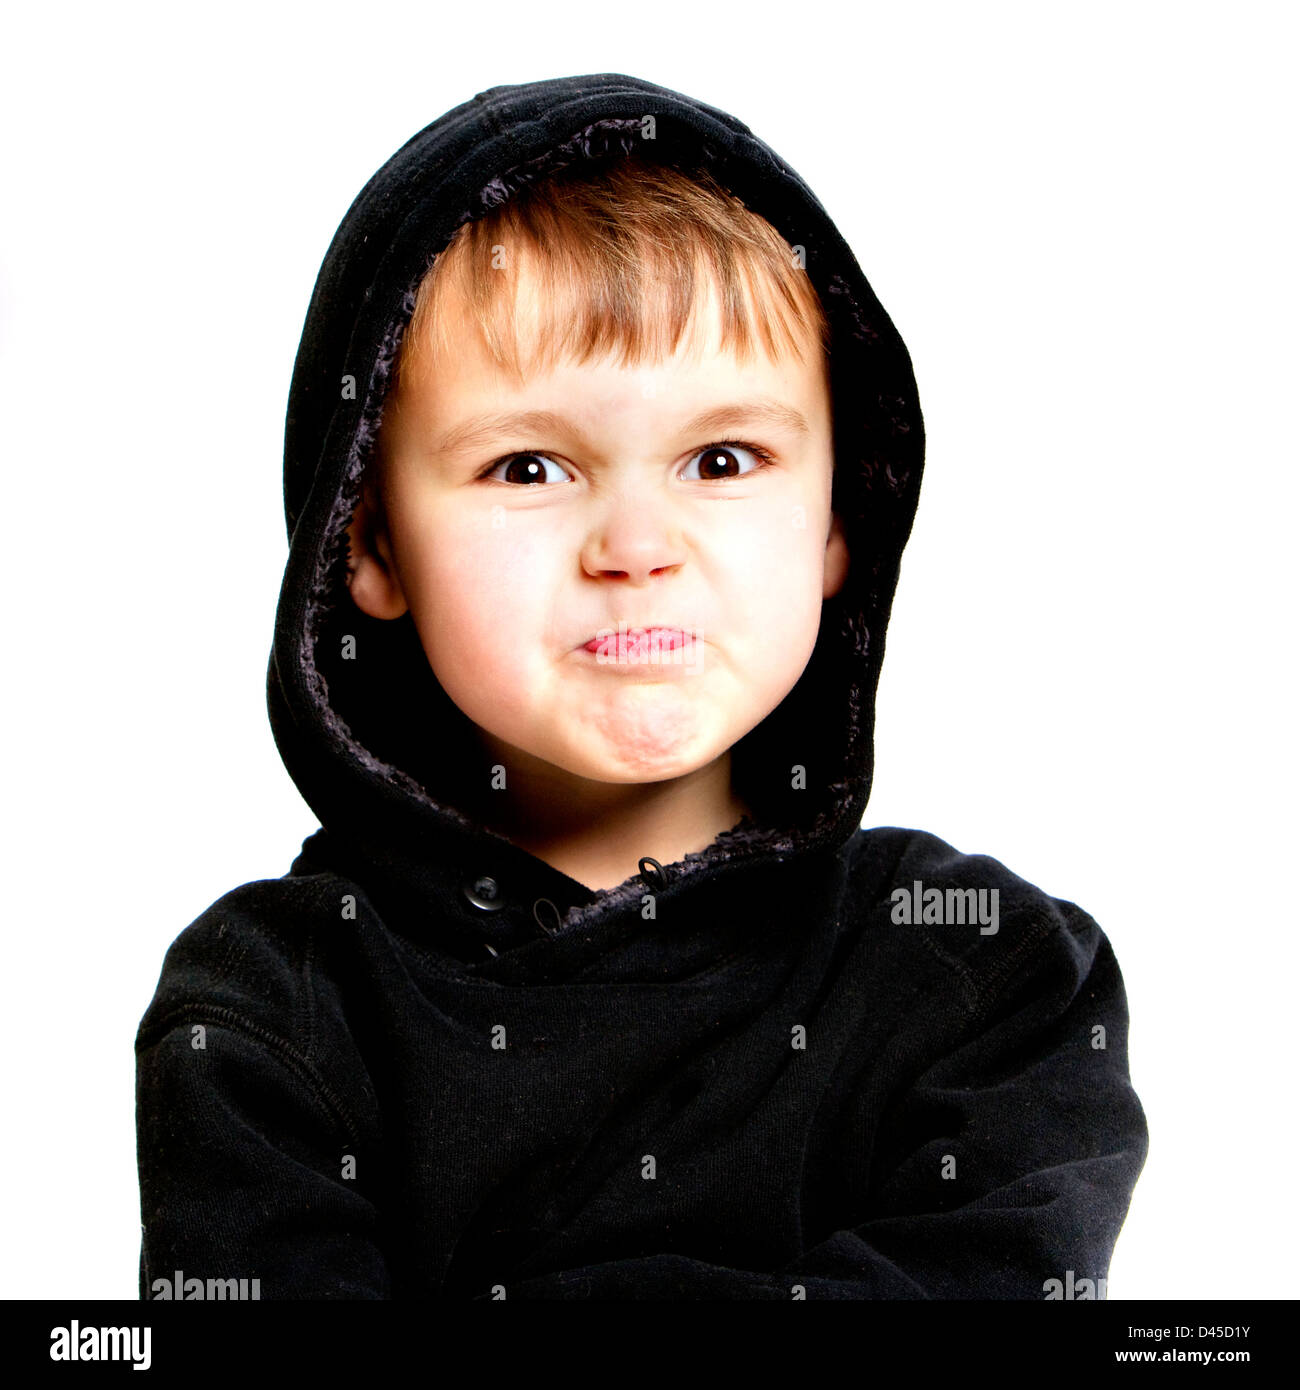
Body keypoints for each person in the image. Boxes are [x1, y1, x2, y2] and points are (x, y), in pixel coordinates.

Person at [134, 72, 1148, 1299]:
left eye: (722, 458)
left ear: (842, 511)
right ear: (372, 542)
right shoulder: (273, 1013)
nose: (635, 545)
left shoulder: (987, 977)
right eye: (527, 467)